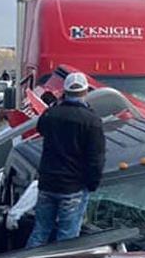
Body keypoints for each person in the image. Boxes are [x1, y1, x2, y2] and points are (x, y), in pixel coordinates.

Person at [25, 72, 105, 247]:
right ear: (85, 92)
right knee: (67, 239)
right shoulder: (92, 121)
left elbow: (41, 128)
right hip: (73, 187)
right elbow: (96, 158)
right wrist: (92, 183)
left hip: (48, 183)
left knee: (40, 231)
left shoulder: (52, 114)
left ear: (64, 92)